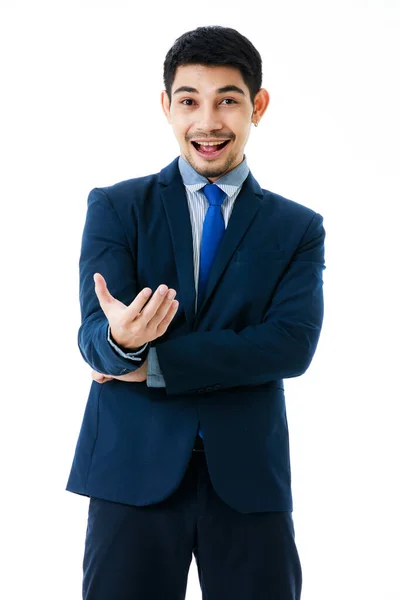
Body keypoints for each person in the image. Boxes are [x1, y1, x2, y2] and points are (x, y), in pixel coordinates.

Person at [66, 25, 325, 600]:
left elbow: (290, 345)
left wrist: (151, 365)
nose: (207, 122)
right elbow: (94, 338)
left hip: (248, 478)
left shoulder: (297, 229)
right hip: (131, 471)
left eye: (227, 100)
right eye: (189, 101)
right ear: (166, 106)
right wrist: (123, 342)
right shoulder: (116, 207)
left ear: (257, 106)